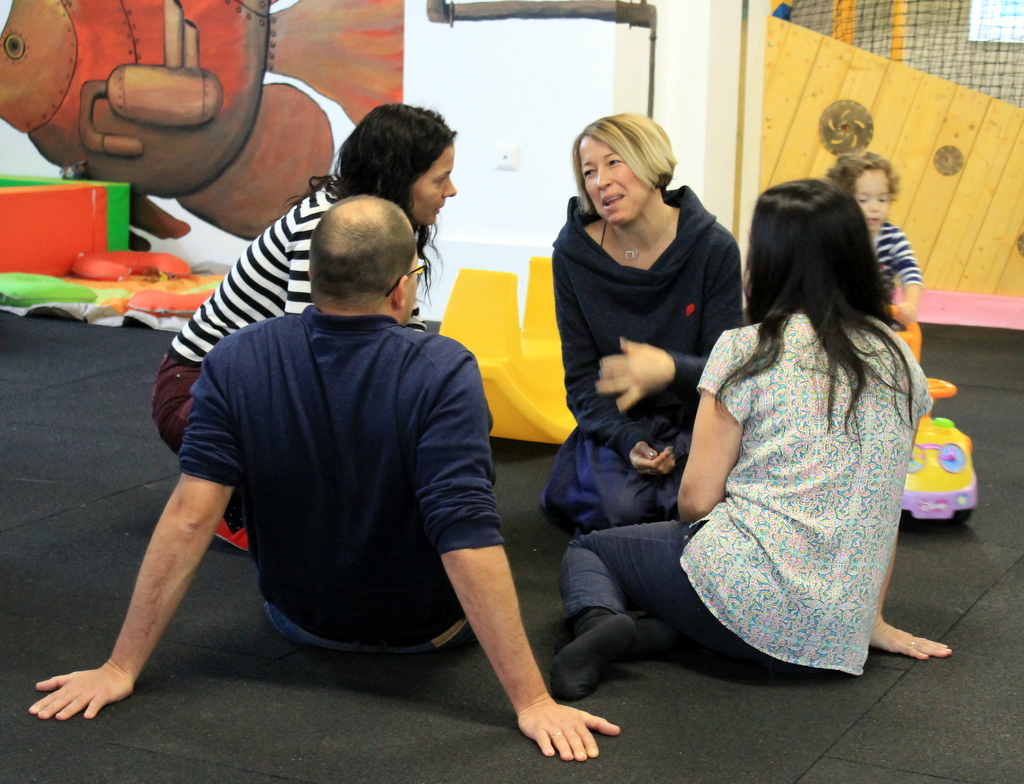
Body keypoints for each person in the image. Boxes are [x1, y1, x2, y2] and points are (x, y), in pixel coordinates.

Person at [30, 197, 619, 761]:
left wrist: (120, 667)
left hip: (298, 620)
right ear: (402, 287)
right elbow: (465, 539)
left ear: (312, 276)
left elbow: (190, 517)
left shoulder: (235, 358)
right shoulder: (444, 370)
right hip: (427, 631)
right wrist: (533, 701)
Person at [548, 179, 952, 701]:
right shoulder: (902, 362)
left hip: (746, 598)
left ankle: (601, 626)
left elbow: (696, 502)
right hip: (839, 635)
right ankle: (663, 630)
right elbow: (885, 502)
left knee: (591, 552)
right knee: (708, 598)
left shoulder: (747, 350)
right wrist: (870, 619)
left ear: (768, 260)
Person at [152, 103, 458, 548]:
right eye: (439, 179)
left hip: (258, 380)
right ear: (399, 177)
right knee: (338, 419)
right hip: (195, 390)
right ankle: (235, 503)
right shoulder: (327, 226)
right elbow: (310, 357)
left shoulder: (384, 224)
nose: (451, 191)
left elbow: (403, 328)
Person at [541, 113, 743, 534]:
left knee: (701, 508)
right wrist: (627, 440)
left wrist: (669, 369)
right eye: (589, 172)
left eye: (614, 163)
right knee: (620, 512)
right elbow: (581, 379)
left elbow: (728, 374)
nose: (601, 182)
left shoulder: (713, 247)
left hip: (698, 418)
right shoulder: (572, 256)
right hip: (618, 422)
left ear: (651, 163)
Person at [826, 151, 924, 327]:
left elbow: (910, 272)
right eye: (863, 200)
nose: (875, 208)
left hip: (878, 318)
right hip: (836, 317)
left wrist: (911, 304)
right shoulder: (834, 235)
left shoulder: (892, 238)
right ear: (841, 201)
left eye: (882, 199)